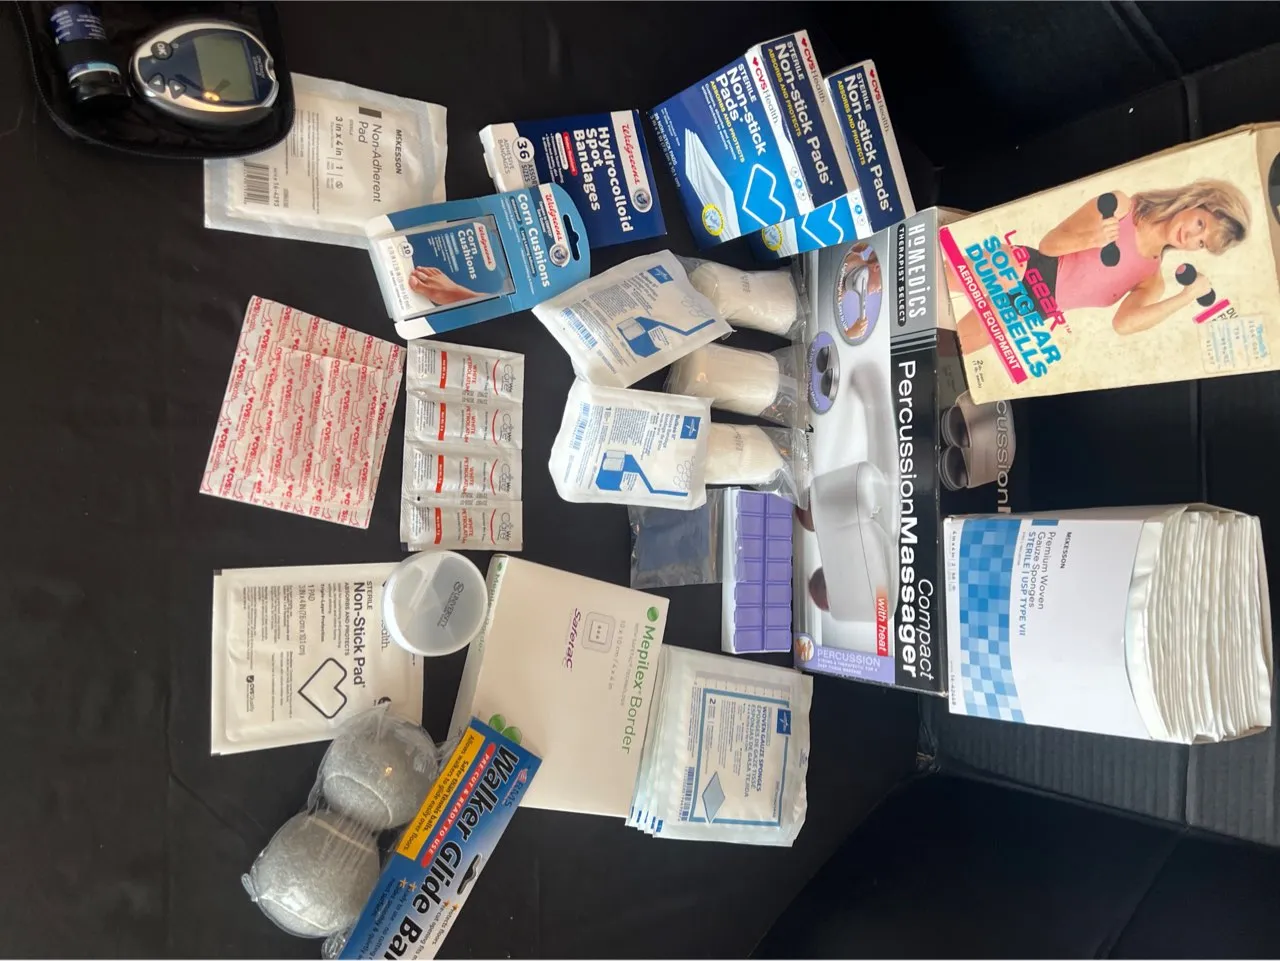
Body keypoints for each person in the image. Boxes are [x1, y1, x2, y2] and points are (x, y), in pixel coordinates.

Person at [953, 179, 1251, 355]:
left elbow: (1123, 324)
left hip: (1034, 307)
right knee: (933, 285)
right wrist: (1092, 239)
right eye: (1200, 224)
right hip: (1025, 266)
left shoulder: (1151, 279)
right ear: (1195, 202)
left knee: (946, 351)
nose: (1191, 237)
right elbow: (1049, 244)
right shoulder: (1120, 207)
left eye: (1202, 243)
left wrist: (1186, 297)